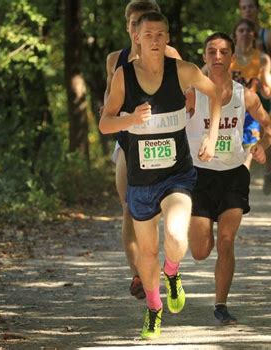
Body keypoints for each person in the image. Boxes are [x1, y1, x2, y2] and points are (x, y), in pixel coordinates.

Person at [100, 12, 221, 339]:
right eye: (148, 34)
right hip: (141, 181)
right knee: (148, 253)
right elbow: (105, 123)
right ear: (136, 37)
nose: (155, 39)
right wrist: (130, 120)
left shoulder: (183, 70)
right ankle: (154, 310)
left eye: (160, 34)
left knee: (177, 236)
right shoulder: (123, 76)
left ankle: (173, 273)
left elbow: (217, 94)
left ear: (167, 38)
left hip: (177, 175)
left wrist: (210, 137)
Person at [186, 32, 271, 325]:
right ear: (204, 57)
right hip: (199, 177)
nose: (218, 57)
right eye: (212, 51)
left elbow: (268, 125)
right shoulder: (191, 92)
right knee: (200, 251)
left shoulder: (244, 95)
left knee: (226, 241)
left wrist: (262, 144)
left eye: (224, 52)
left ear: (232, 58)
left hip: (234, 176)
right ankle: (201, 231)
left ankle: (220, 306)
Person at [103, 0, 181, 300]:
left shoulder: (171, 55)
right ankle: (138, 274)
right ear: (128, 27)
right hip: (130, 141)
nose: (141, 31)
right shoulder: (115, 60)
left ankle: (169, 263)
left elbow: (187, 94)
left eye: (147, 25)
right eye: (135, 24)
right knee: (128, 208)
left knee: (162, 211)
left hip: (165, 144)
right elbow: (110, 98)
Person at [238, 0, 271, 194]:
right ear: (240, 11)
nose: (248, 10)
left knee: (267, 132)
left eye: (251, 7)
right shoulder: (238, 34)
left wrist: (261, 59)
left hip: (261, 93)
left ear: (257, 10)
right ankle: (238, 174)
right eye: (244, 7)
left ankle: (268, 169)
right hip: (240, 93)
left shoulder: (268, 35)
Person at [230, 19, 271, 170]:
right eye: (241, 30)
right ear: (235, 35)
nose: (245, 34)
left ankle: (240, 191)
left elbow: (268, 93)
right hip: (227, 115)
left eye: (248, 31)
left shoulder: (262, 59)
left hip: (250, 115)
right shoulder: (225, 56)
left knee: (244, 165)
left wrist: (262, 87)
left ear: (254, 35)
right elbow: (201, 77)